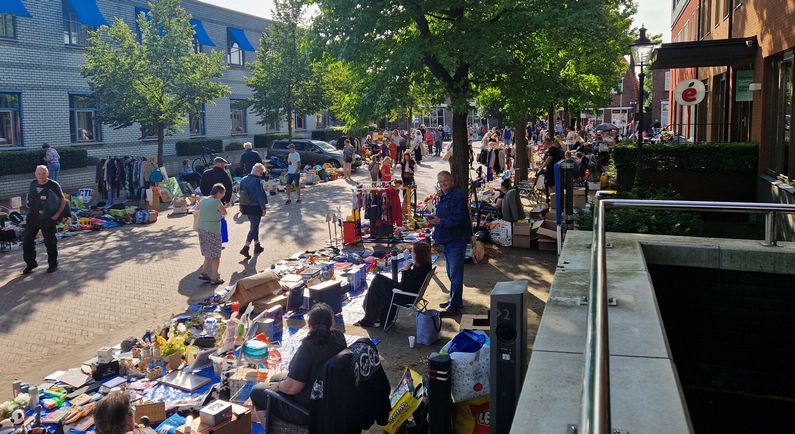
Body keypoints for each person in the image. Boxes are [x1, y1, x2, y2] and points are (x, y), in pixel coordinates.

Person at [250, 303, 347, 426]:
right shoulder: (338, 336)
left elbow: (293, 387)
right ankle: (263, 414)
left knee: (257, 392)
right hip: (331, 395)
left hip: (309, 408)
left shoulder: (309, 347)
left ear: (309, 324)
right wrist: (278, 383)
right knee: (275, 378)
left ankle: (271, 428)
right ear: (331, 323)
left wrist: (278, 386)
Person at [356, 242, 433, 327]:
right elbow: (409, 283)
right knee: (378, 280)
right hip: (409, 293)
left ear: (417, 255)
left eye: (412, 252)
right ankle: (374, 315)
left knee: (377, 283)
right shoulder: (425, 266)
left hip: (404, 296)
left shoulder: (420, 271)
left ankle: (369, 319)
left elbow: (404, 286)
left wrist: (405, 270)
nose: (411, 254)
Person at [427, 171, 472, 317]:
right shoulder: (446, 195)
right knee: (452, 274)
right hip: (448, 240)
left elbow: (458, 219)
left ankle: (455, 307)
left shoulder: (457, 195)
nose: (443, 184)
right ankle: (455, 301)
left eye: (445, 181)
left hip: (456, 241)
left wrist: (440, 221)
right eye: (440, 182)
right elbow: (448, 215)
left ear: (451, 180)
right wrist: (436, 218)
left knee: (455, 274)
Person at [22, 165, 67, 274]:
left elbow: (63, 201)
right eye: (39, 173)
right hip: (33, 217)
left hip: (48, 218)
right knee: (27, 240)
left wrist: (56, 216)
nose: (41, 176)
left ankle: (53, 264)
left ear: (47, 174)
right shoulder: (33, 184)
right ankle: (31, 263)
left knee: (50, 242)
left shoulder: (53, 185)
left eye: (43, 173)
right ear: (35, 174)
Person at [197, 183, 227, 285]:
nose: (222, 196)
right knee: (216, 256)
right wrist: (223, 207)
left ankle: (203, 273)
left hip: (202, 229)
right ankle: (214, 278)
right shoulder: (217, 202)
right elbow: (224, 212)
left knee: (207, 254)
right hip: (213, 230)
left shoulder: (203, 200)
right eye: (222, 194)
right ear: (218, 193)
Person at [238, 163, 268, 259]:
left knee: (254, 226)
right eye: (261, 173)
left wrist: (241, 206)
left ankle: (257, 245)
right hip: (256, 206)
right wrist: (263, 208)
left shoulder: (243, 180)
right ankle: (246, 247)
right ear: (258, 171)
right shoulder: (257, 181)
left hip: (246, 206)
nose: (261, 175)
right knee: (254, 227)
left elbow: (241, 194)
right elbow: (260, 196)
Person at [538, 138, 563, 203]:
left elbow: (549, 159)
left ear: (547, 143)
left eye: (544, 143)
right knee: (550, 184)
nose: (544, 145)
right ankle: (553, 200)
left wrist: (542, 167)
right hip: (553, 170)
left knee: (551, 185)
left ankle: (553, 200)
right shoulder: (553, 149)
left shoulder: (552, 149)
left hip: (552, 170)